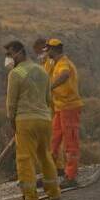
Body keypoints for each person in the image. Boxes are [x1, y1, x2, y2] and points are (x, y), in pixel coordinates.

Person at [5, 40, 61, 200]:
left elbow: (11, 104)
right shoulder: (42, 71)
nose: (7, 59)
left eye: (9, 54)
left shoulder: (15, 74)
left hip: (26, 120)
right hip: (44, 120)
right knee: (45, 156)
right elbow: (47, 99)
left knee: (24, 159)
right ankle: (55, 195)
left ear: (18, 53)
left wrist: (12, 123)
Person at [44, 38, 83, 189]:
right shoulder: (54, 64)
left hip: (69, 107)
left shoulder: (64, 63)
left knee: (70, 143)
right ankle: (51, 175)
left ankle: (70, 176)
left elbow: (65, 75)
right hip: (60, 108)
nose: (47, 52)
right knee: (53, 140)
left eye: (48, 50)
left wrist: (50, 87)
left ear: (54, 49)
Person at [34, 38, 67, 179]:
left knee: (52, 138)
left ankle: (56, 168)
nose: (40, 54)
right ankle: (56, 167)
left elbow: (51, 81)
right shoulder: (46, 63)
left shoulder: (53, 63)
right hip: (50, 103)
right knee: (53, 138)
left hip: (53, 104)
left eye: (41, 51)